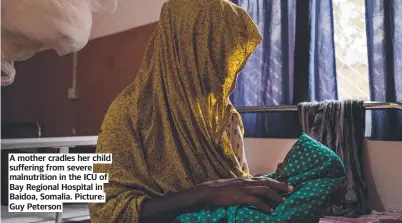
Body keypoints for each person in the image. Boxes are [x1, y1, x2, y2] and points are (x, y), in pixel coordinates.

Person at [89, 0, 346, 222]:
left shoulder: (225, 117)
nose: (228, 75)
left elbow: (233, 184)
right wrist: (205, 193)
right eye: (218, 57)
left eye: (232, 60)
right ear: (185, 52)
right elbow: (108, 212)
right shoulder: (128, 115)